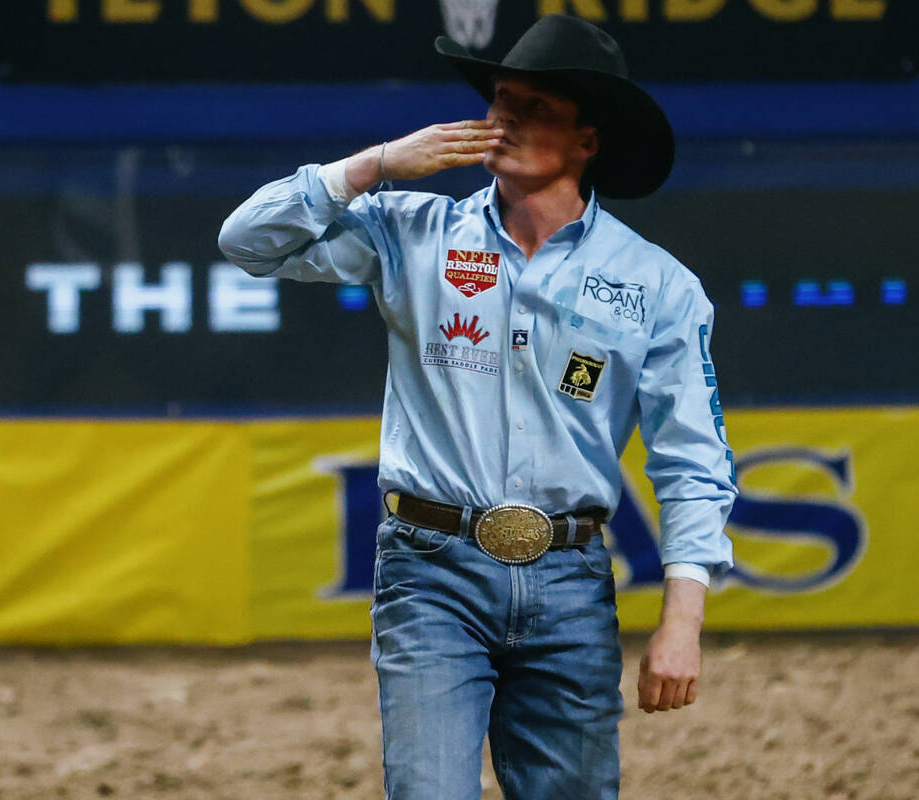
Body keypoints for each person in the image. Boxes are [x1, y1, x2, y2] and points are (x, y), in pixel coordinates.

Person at [218, 14, 736, 799]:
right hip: (430, 572)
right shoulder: (411, 230)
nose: (508, 121)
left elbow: (693, 460)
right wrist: (376, 165)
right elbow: (245, 240)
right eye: (502, 100)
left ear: (587, 141)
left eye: (540, 108)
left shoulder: (658, 284)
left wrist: (683, 622)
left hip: (571, 579)